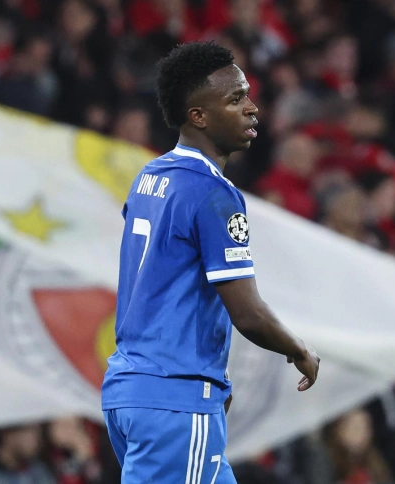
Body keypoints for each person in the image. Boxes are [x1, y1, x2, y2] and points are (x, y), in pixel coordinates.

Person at [101, 41, 320, 484]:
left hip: (136, 390)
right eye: (235, 98)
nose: (252, 108)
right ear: (198, 115)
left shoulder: (151, 177)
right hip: (174, 397)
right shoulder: (213, 193)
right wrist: (298, 351)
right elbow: (249, 313)